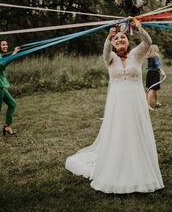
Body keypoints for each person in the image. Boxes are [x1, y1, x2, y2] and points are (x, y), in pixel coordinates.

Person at [65, 18, 164, 194]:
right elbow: (105, 51)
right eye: (116, 38)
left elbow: (148, 42)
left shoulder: (137, 54)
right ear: (112, 42)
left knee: (135, 132)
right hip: (117, 105)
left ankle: (139, 169)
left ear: (128, 40)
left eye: (123, 38)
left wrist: (138, 27)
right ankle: (116, 168)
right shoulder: (109, 58)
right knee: (118, 133)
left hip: (135, 105)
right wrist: (108, 37)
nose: (120, 40)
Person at [146, 44, 166, 110]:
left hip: (149, 73)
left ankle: (157, 102)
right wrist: (162, 72)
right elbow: (158, 65)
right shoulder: (156, 56)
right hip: (154, 73)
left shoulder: (149, 56)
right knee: (152, 88)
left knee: (155, 88)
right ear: (156, 49)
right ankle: (147, 105)